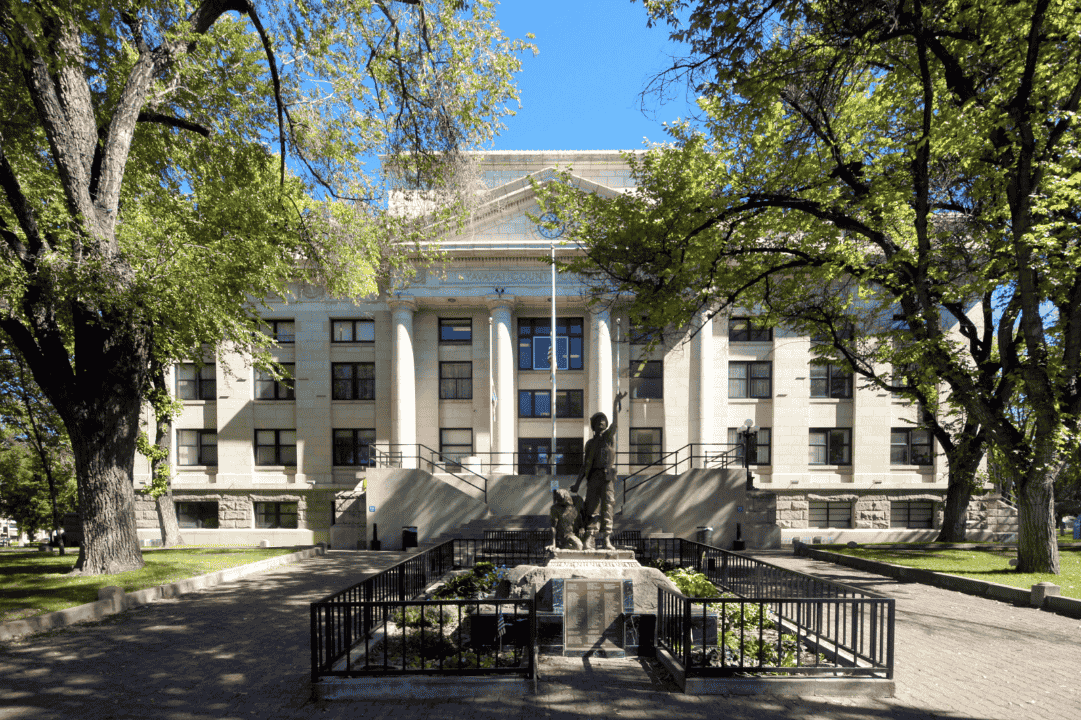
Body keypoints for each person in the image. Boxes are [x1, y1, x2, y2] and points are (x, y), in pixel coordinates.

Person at [571, 390, 627, 550]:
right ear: (593, 426)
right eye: (598, 421)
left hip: (607, 476)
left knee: (608, 507)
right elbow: (584, 465)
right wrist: (576, 484)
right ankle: (590, 537)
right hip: (593, 477)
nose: (602, 422)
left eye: (604, 420)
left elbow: (615, 423)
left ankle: (607, 539)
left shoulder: (608, 437)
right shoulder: (589, 444)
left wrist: (616, 403)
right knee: (592, 508)